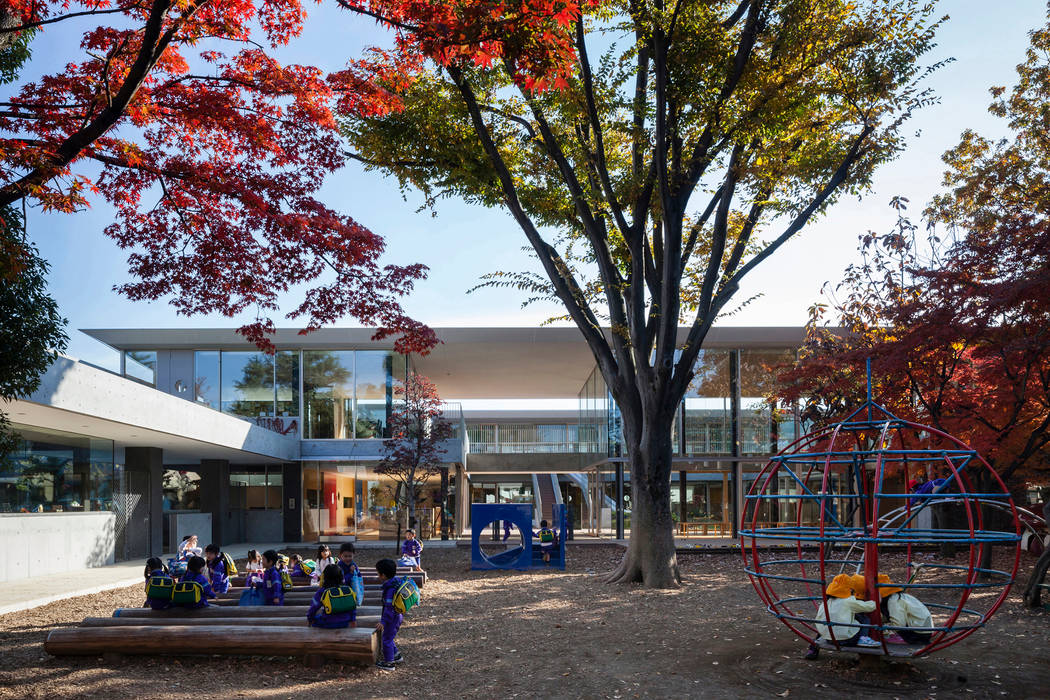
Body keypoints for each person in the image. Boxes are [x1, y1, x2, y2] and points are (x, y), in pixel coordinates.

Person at [803, 573, 878, 660]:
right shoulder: (848, 601)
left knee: (828, 621)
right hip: (847, 640)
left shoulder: (826, 602)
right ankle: (863, 638)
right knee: (864, 618)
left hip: (828, 638)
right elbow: (869, 607)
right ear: (848, 589)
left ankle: (813, 649)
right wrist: (876, 601)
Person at [877, 574, 933, 645]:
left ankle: (903, 640)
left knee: (884, 635)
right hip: (925, 631)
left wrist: (883, 627)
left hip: (918, 634)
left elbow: (898, 624)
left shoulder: (894, 600)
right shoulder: (900, 596)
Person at [375, 558, 405, 671]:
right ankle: (396, 655)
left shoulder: (389, 590)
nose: (377, 575)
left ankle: (389, 663)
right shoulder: (396, 582)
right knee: (389, 636)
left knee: (386, 639)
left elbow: (388, 608)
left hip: (392, 618)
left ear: (383, 575)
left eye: (378, 573)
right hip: (398, 616)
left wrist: (383, 621)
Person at [307, 564, 357, 629]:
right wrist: (353, 620)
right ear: (341, 576)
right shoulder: (347, 589)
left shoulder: (322, 591)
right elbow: (352, 607)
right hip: (345, 622)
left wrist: (310, 618)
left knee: (316, 619)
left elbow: (314, 607)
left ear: (325, 577)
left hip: (328, 623)